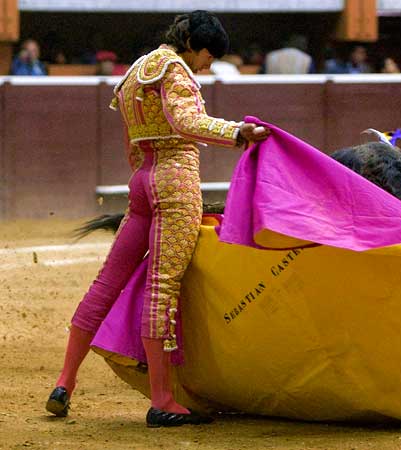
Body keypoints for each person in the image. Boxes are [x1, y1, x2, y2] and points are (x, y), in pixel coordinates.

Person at [45, 10, 270, 428]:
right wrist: (237, 132)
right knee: (162, 287)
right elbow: (186, 121)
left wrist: (142, 174)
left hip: (142, 180)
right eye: (208, 57)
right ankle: (163, 399)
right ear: (196, 46)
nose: (207, 66)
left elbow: (131, 137)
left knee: (106, 283)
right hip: (175, 181)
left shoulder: (136, 70)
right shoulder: (176, 70)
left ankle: (64, 382)